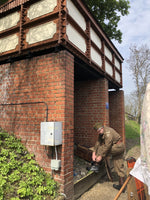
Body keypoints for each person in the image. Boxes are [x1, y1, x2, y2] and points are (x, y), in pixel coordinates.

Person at [91, 122, 126, 191]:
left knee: (102, 148)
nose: (98, 133)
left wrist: (100, 156)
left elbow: (107, 146)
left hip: (118, 147)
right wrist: (94, 152)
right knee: (118, 165)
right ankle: (122, 186)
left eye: (99, 131)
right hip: (117, 147)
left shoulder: (108, 133)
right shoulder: (102, 133)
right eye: (97, 131)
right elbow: (98, 142)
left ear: (102, 128)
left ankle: (96, 165)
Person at [130, 83, 150, 199]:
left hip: (117, 148)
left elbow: (107, 145)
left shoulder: (108, 133)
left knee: (118, 166)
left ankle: (120, 182)